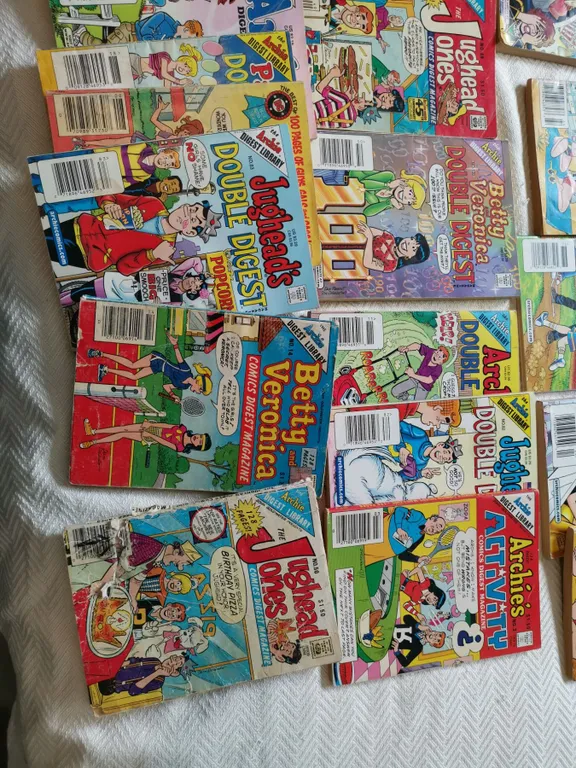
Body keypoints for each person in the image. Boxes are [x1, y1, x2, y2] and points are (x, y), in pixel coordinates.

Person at [45, 193, 223, 276]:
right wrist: (109, 204)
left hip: (88, 254)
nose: (186, 215)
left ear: (189, 232)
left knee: (40, 254)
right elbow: (113, 196)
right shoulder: (154, 204)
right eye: (191, 209)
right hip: (80, 226)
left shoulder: (166, 250)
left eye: (192, 220)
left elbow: (124, 268)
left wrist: (152, 254)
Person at [87, 329, 213, 399]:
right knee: (132, 365)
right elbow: (179, 358)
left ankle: (105, 369)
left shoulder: (183, 386)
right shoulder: (187, 371)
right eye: (200, 390)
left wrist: (173, 396)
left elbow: (166, 386)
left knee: (134, 377)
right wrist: (174, 344)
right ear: (199, 383)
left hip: (157, 369)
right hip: (158, 360)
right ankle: (100, 354)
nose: (197, 392)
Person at [58, 256, 214, 309]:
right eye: (194, 279)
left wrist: (158, 304)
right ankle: (60, 299)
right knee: (84, 288)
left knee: (88, 297)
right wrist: (202, 274)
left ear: (193, 292)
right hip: (125, 281)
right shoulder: (177, 274)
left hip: (129, 298)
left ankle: (61, 303)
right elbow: (194, 260)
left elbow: (162, 310)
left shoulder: (178, 301)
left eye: (194, 286)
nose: (191, 283)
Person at [80, 419, 212, 455]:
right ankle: (93, 431)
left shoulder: (181, 448)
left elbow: (164, 442)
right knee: (123, 428)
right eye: (200, 436)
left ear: (197, 446)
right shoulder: (183, 429)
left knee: (122, 434)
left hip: (151, 437)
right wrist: (150, 425)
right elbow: (165, 425)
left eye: (200, 442)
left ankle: (93, 442)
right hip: (153, 427)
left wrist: (150, 435)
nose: (198, 438)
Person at [74, 13, 203, 47]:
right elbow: (145, 30)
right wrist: (151, 45)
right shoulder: (164, 18)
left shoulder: (173, 38)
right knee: (106, 48)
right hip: (129, 32)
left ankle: (81, 38)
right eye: (188, 38)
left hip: (134, 43)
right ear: (187, 30)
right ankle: (82, 34)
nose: (185, 41)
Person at [97, 653, 188, 697]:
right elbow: (133, 661)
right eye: (178, 658)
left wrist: (157, 673)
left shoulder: (158, 682)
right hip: (108, 671)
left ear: (174, 672)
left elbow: (133, 691)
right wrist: (112, 667)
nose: (175, 661)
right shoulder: (155, 660)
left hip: (109, 687)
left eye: (178, 664)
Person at [358, 221, 430, 273]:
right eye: (412, 239)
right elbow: (369, 230)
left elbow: (367, 263)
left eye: (414, 248)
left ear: (410, 257)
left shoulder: (391, 265)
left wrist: (370, 238)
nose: (409, 243)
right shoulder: (389, 237)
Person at [350, 169, 427, 215]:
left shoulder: (390, 202)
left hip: (348, 192)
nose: (406, 198)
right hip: (349, 174)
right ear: (406, 184)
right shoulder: (389, 177)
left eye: (409, 202)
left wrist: (387, 203)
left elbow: (366, 212)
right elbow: (361, 183)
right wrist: (387, 184)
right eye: (410, 193)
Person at [130, 44, 202, 86]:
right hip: (133, 62)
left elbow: (167, 88)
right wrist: (179, 81)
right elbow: (163, 73)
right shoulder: (166, 56)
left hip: (136, 73)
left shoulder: (170, 74)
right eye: (185, 65)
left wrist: (185, 85)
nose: (183, 69)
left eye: (187, 71)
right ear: (182, 59)